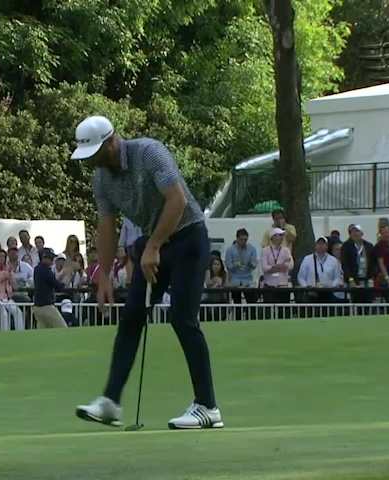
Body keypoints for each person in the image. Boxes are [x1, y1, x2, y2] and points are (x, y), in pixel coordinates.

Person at [71, 115, 222, 430]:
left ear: (112, 142)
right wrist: (105, 275)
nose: (91, 163)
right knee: (131, 318)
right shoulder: (100, 177)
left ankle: (208, 407)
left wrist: (152, 246)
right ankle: (111, 403)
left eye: (96, 154)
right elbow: (106, 226)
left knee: (182, 318)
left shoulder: (149, 152)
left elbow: (177, 200)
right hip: (155, 242)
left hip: (188, 237)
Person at [296, 237, 344, 304]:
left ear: (327, 246)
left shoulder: (333, 261)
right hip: (311, 294)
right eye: (319, 244)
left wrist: (331, 286)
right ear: (315, 246)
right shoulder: (307, 259)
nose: (321, 246)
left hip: (328, 294)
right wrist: (306, 287)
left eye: (323, 244)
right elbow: (301, 277)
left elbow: (337, 277)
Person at [0, 250, 24, 331]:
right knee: (3, 313)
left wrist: (10, 274)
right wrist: (5, 274)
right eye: (0, 256)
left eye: (4, 256)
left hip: (5, 298)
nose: (2, 258)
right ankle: (4, 334)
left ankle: (21, 334)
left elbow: (15, 286)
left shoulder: (7, 270)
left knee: (18, 312)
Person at [31, 248, 68, 329]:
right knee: (63, 328)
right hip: (46, 306)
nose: (52, 261)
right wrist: (65, 279)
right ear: (44, 258)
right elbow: (59, 287)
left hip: (37, 307)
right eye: (50, 258)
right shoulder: (46, 271)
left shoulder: (37, 269)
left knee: (43, 333)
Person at [225, 228, 258, 316]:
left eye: (245, 240)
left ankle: (251, 321)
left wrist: (251, 264)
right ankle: (237, 320)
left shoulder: (252, 249)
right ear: (237, 238)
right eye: (241, 239)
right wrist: (235, 265)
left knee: (251, 304)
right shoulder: (230, 250)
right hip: (235, 280)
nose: (243, 242)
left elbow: (255, 265)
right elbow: (228, 266)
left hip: (248, 280)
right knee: (237, 305)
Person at [341, 225, 374, 304]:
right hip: (353, 281)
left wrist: (372, 277)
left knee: (367, 302)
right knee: (355, 303)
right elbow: (345, 264)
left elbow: (373, 262)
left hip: (366, 280)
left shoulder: (368, 246)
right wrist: (350, 279)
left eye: (357, 231)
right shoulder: (346, 246)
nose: (355, 234)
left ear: (361, 233)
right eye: (353, 232)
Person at [261, 228, 294, 305]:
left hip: (283, 285)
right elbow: (264, 267)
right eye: (279, 235)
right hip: (269, 286)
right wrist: (278, 267)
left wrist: (274, 267)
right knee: (268, 310)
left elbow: (291, 265)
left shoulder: (286, 250)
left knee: (283, 311)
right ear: (273, 237)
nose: (282, 237)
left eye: (282, 235)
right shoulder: (265, 251)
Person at [202, 256, 229, 322]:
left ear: (221, 266)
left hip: (221, 299)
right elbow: (208, 283)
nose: (216, 266)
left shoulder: (224, 273)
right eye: (214, 264)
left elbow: (225, 285)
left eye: (218, 264)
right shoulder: (208, 272)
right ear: (211, 265)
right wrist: (216, 284)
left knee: (219, 316)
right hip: (208, 299)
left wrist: (217, 284)